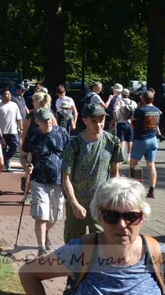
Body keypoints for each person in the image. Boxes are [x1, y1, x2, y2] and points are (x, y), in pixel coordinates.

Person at [19, 177, 165, 295]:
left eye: (131, 216)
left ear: (142, 217)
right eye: (112, 216)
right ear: (99, 216)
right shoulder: (81, 251)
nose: (122, 225)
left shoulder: (157, 255)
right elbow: (29, 273)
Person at [61, 103, 123, 243]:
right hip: (77, 203)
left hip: (101, 205)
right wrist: (74, 204)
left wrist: (112, 199)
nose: (98, 125)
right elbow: (66, 178)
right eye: (94, 121)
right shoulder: (74, 145)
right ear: (84, 120)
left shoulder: (112, 142)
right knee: (73, 247)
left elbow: (114, 174)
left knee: (103, 245)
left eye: (101, 120)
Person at [22, 106, 69, 256]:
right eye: (44, 120)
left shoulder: (61, 132)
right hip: (39, 180)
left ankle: (45, 232)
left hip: (58, 180)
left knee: (55, 216)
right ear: (37, 121)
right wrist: (26, 166)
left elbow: (70, 155)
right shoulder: (33, 135)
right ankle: (41, 248)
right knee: (41, 214)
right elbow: (23, 155)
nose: (48, 122)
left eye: (49, 118)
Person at [130, 89, 162, 198]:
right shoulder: (157, 110)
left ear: (142, 99)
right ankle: (152, 190)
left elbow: (132, 123)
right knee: (151, 164)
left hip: (141, 139)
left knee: (133, 164)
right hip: (153, 140)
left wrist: (138, 107)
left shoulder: (140, 110)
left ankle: (135, 189)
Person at [0, 88, 23, 173]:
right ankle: (5, 164)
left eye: (9, 94)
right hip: (2, 131)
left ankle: (7, 159)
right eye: (6, 94)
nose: (8, 96)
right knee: (3, 149)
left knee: (15, 147)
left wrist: (21, 128)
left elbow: (19, 118)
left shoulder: (14, 105)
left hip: (13, 131)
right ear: (3, 96)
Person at [116, 88, 138, 160]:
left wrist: (116, 120)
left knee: (121, 140)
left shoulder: (119, 102)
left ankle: (121, 156)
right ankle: (128, 157)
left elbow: (115, 111)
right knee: (130, 140)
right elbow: (135, 114)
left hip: (120, 123)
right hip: (130, 123)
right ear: (128, 95)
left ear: (122, 94)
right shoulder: (133, 102)